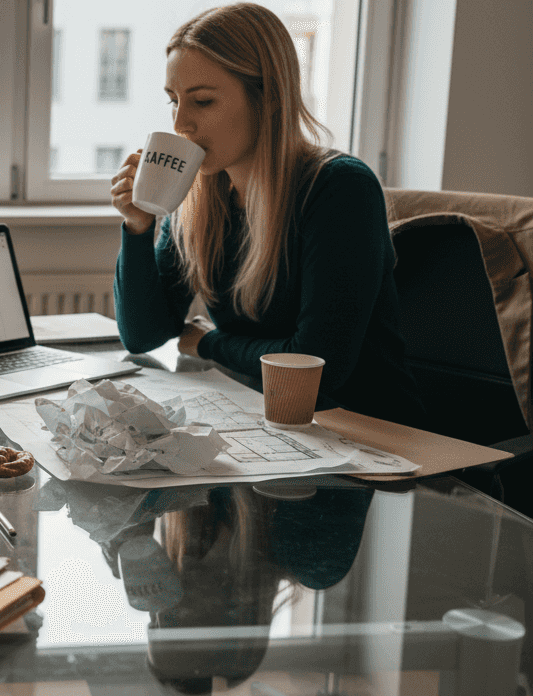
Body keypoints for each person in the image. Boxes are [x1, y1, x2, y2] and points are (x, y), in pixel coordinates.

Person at [110, 3, 426, 428]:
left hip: (368, 434)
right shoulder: (202, 198)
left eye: (202, 101)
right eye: (173, 101)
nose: (181, 123)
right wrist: (138, 224)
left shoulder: (339, 189)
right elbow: (144, 335)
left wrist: (208, 343)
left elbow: (317, 369)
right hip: (266, 419)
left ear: (270, 98)